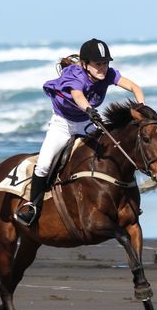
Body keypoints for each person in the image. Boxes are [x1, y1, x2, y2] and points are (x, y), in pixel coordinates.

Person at [15, 38, 145, 226]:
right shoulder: (75, 75)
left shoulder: (107, 74)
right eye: (98, 64)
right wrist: (90, 110)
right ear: (84, 64)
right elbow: (78, 95)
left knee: (113, 153)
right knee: (43, 165)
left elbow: (135, 87)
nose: (103, 68)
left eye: (106, 63)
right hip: (63, 124)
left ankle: (127, 200)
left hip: (86, 122)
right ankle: (32, 206)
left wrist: (141, 108)